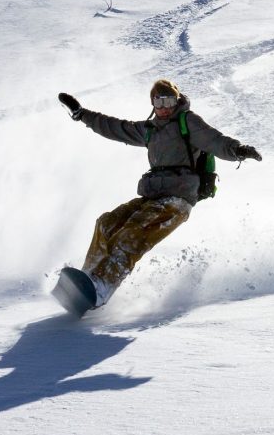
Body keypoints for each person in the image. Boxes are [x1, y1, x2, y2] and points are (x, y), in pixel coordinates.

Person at [58, 78, 261, 308]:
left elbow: (214, 140)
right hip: (152, 197)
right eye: (159, 101)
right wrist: (81, 114)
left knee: (133, 231)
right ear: (152, 103)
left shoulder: (188, 122)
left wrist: (238, 150)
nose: (164, 107)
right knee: (106, 223)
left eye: (169, 100)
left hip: (178, 200)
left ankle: (103, 286)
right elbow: (115, 127)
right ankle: (89, 278)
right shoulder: (149, 130)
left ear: (177, 100)